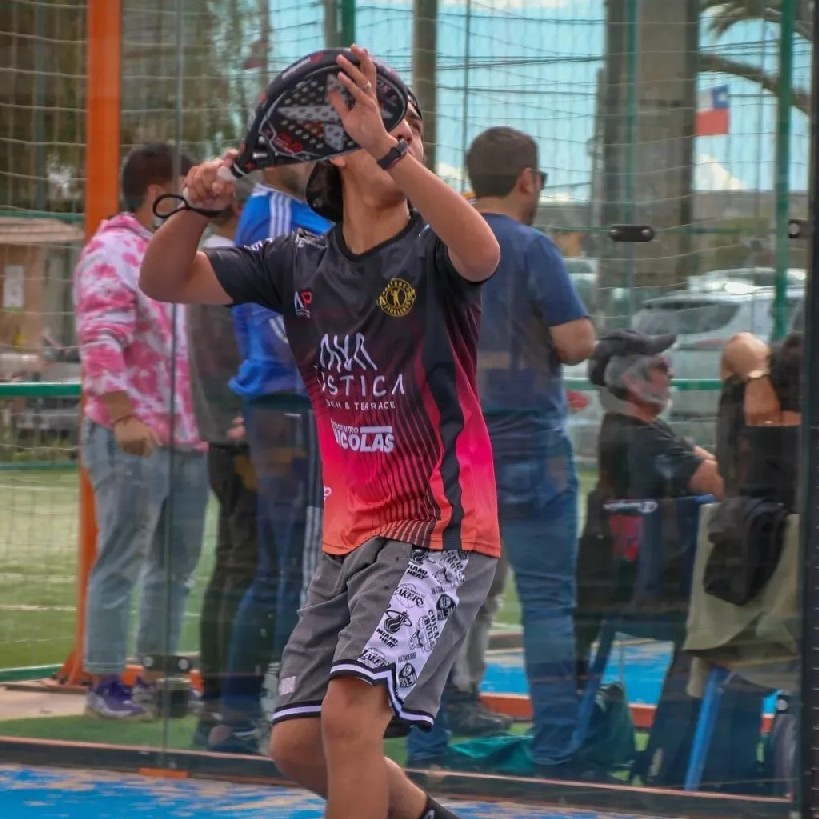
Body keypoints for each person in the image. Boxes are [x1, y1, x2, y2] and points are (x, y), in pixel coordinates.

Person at [140, 47, 500, 819]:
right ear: (332, 156)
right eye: (380, 123)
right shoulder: (294, 261)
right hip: (350, 537)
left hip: (439, 528)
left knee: (348, 720)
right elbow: (163, 279)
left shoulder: (434, 249)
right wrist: (196, 208)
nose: (400, 135)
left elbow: (483, 250)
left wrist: (390, 150)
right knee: (298, 744)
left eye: (407, 127)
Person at [407, 126, 596, 772]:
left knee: (437, 597)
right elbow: (574, 342)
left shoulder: (431, 244)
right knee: (545, 601)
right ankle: (556, 745)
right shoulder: (531, 247)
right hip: (529, 446)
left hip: (450, 447)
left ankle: (425, 745)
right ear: (526, 180)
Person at [75, 143, 208, 720]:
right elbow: (100, 336)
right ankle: (105, 681)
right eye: (187, 188)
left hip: (186, 436)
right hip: (132, 433)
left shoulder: (172, 252)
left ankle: (158, 676)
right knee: (122, 559)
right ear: (158, 193)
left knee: (176, 568)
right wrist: (123, 414)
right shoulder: (112, 252)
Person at [206, 165, 331, 754]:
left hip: (288, 404)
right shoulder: (277, 214)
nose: (316, 159)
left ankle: (239, 712)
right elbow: (281, 328)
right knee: (299, 567)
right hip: (293, 404)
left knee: (281, 566)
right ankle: (284, 714)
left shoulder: (291, 210)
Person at [187, 174, 259, 745]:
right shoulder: (229, 266)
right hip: (247, 439)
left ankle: (220, 701)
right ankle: (230, 703)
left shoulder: (210, 263)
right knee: (246, 570)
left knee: (233, 567)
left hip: (225, 434)